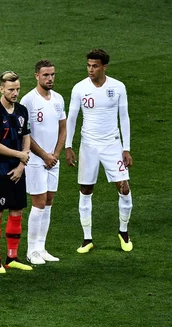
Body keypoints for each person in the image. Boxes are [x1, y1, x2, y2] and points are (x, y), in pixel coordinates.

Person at [65, 49, 133, 253]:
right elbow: (72, 118)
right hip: (88, 145)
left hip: (112, 144)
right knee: (86, 190)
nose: (90, 69)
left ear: (104, 67)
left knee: (124, 188)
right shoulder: (79, 88)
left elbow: (125, 117)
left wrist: (126, 148)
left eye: (95, 66)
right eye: (88, 65)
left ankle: (123, 231)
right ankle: (87, 238)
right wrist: (68, 146)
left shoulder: (118, 87)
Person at [0, 71, 33, 274]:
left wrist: (22, 165)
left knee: (17, 211)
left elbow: (27, 137)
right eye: (11, 89)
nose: (15, 93)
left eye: (17, 89)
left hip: (17, 171)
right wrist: (20, 156)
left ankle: (12, 257)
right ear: (1, 89)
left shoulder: (22, 110)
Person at [20, 60, 67, 264]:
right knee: (38, 204)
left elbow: (63, 128)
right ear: (36, 76)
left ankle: (42, 246)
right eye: (46, 75)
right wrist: (45, 156)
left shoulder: (58, 99)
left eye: (52, 75)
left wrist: (55, 154)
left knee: (49, 202)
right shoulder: (28, 100)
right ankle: (31, 251)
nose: (50, 79)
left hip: (52, 159)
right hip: (35, 160)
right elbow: (25, 134)